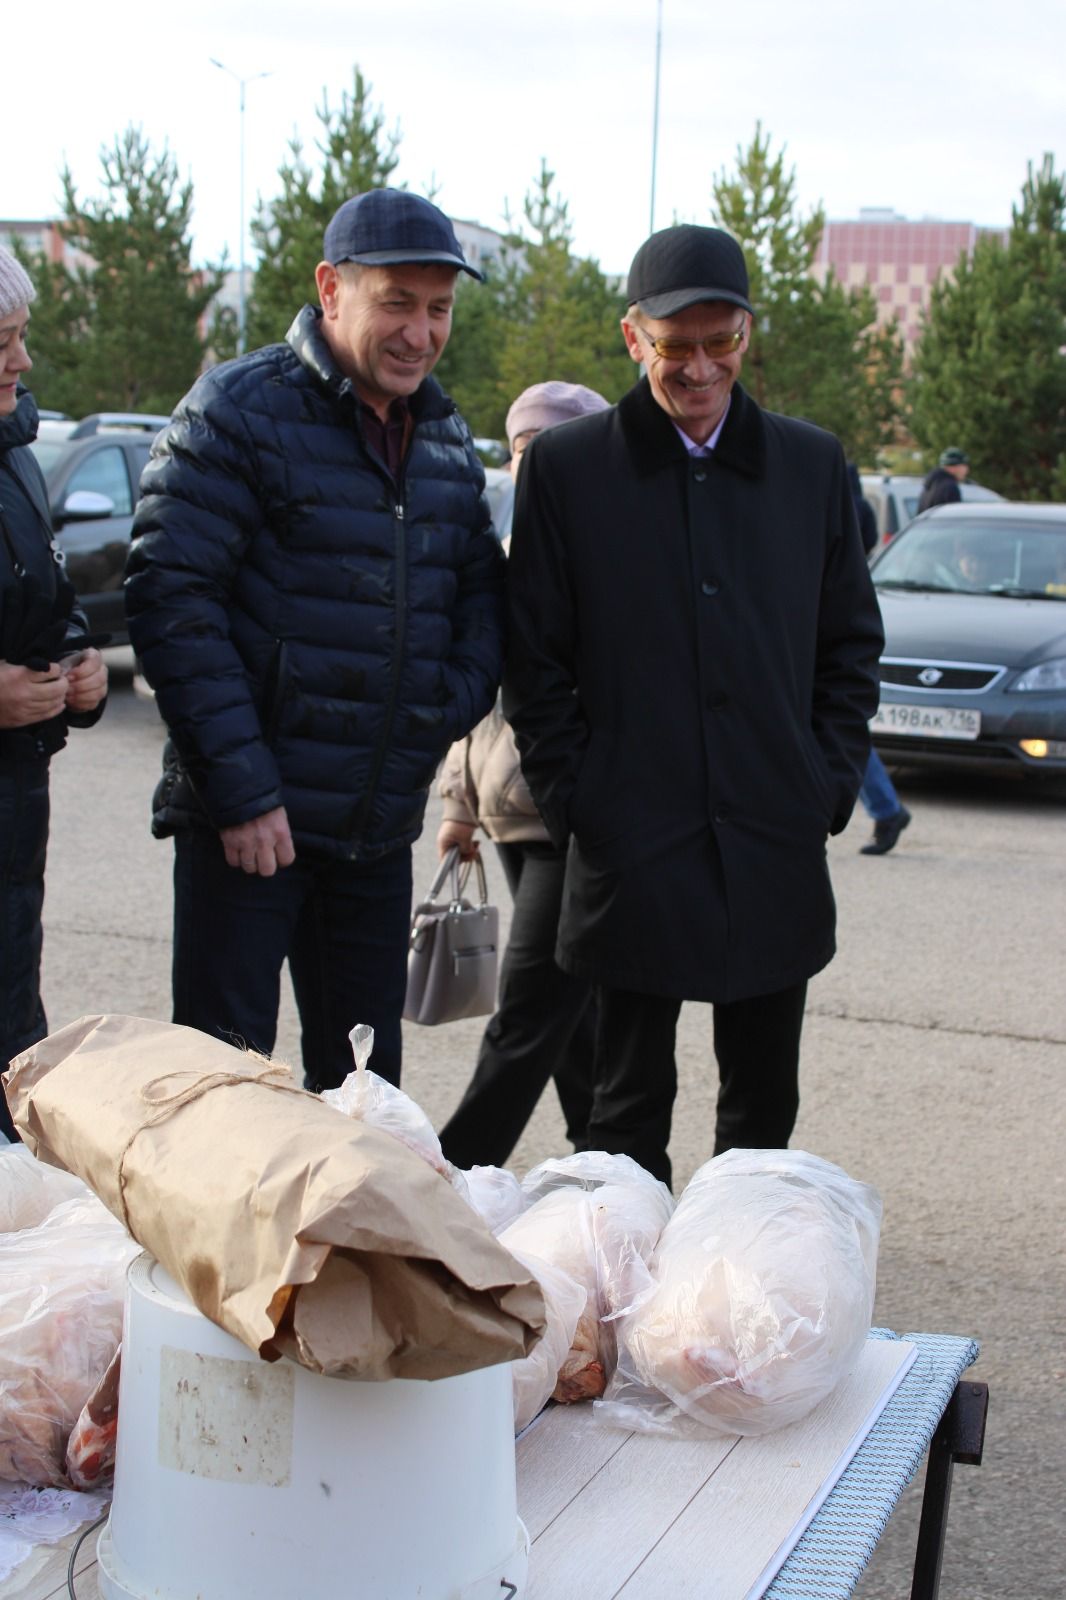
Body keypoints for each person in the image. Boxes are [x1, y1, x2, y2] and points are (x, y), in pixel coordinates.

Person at [503, 224, 884, 1186]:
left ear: (748, 333)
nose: (703, 367)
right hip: (631, 837)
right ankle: (629, 1313)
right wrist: (579, 800)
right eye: (678, 347)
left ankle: (736, 1309)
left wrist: (825, 783)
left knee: (763, 1112)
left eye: (723, 342)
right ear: (635, 340)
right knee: (622, 1111)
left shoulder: (810, 466)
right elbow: (534, 660)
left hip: (772, 831)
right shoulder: (568, 469)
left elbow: (849, 646)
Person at [125, 190, 504, 1094]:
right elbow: (171, 597)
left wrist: (432, 713)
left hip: (372, 834)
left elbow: (482, 600)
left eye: (439, 308)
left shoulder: (444, 439)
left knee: (366, 1101)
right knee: (223, 1093)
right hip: (250, 832)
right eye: (398, 304)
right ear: (332, 290)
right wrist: (243, 792)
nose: (421, 333)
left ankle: (344, 1245)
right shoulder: (240, 410)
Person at [436, 382, 608, 1168]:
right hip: (508, 810)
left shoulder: (616, 556)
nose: (531, 461)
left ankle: (454, 1170)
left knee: (532, 1004)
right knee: (571, 1004)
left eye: (550, 445)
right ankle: (604, 1155)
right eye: (519, 446)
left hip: (574, 820)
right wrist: (459, 803)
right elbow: (475, 700)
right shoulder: (508, 553)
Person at [0, 247, 109, 1141]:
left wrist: (80, 665)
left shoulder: (17, 459)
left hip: (13, 800)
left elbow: (53, 599)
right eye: (2, 340)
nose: (23, 360)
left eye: (22, 337)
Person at [848, 462, 912, 857]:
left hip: (814, 619)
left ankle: (887, 809)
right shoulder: (859, 504)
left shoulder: (812, 493)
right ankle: (887, 808)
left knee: (831, 726)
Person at [917, 446, 969, 513]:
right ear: (954, 466)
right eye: (964, 466)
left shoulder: (929, 486)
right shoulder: (950, 487)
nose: (967, 470)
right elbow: (955, 518)